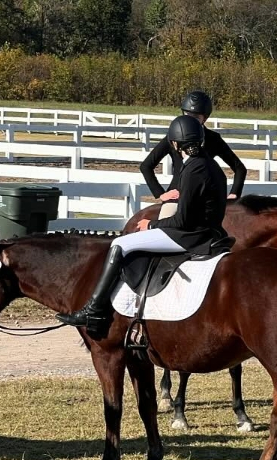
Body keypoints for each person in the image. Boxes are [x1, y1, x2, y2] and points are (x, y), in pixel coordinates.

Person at [57, 115, 228, 333]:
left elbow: (182, 221)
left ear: (175, 144)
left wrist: (152, 224)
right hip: (210, 233)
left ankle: (93, 309)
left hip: (191, 237)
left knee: (120, 244)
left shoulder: (192, 169)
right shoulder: (211, 165)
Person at [139, 90, 247, 220]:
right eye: (187, 114)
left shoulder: (213, 139)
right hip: (176, 198)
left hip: (206, 199)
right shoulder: (173, 136)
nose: (190, 120)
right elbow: (146, 166)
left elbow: (239, 168)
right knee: (164, 228)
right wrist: (160, 194)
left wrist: (234, 193)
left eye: (196, 117)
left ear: (205, 118)